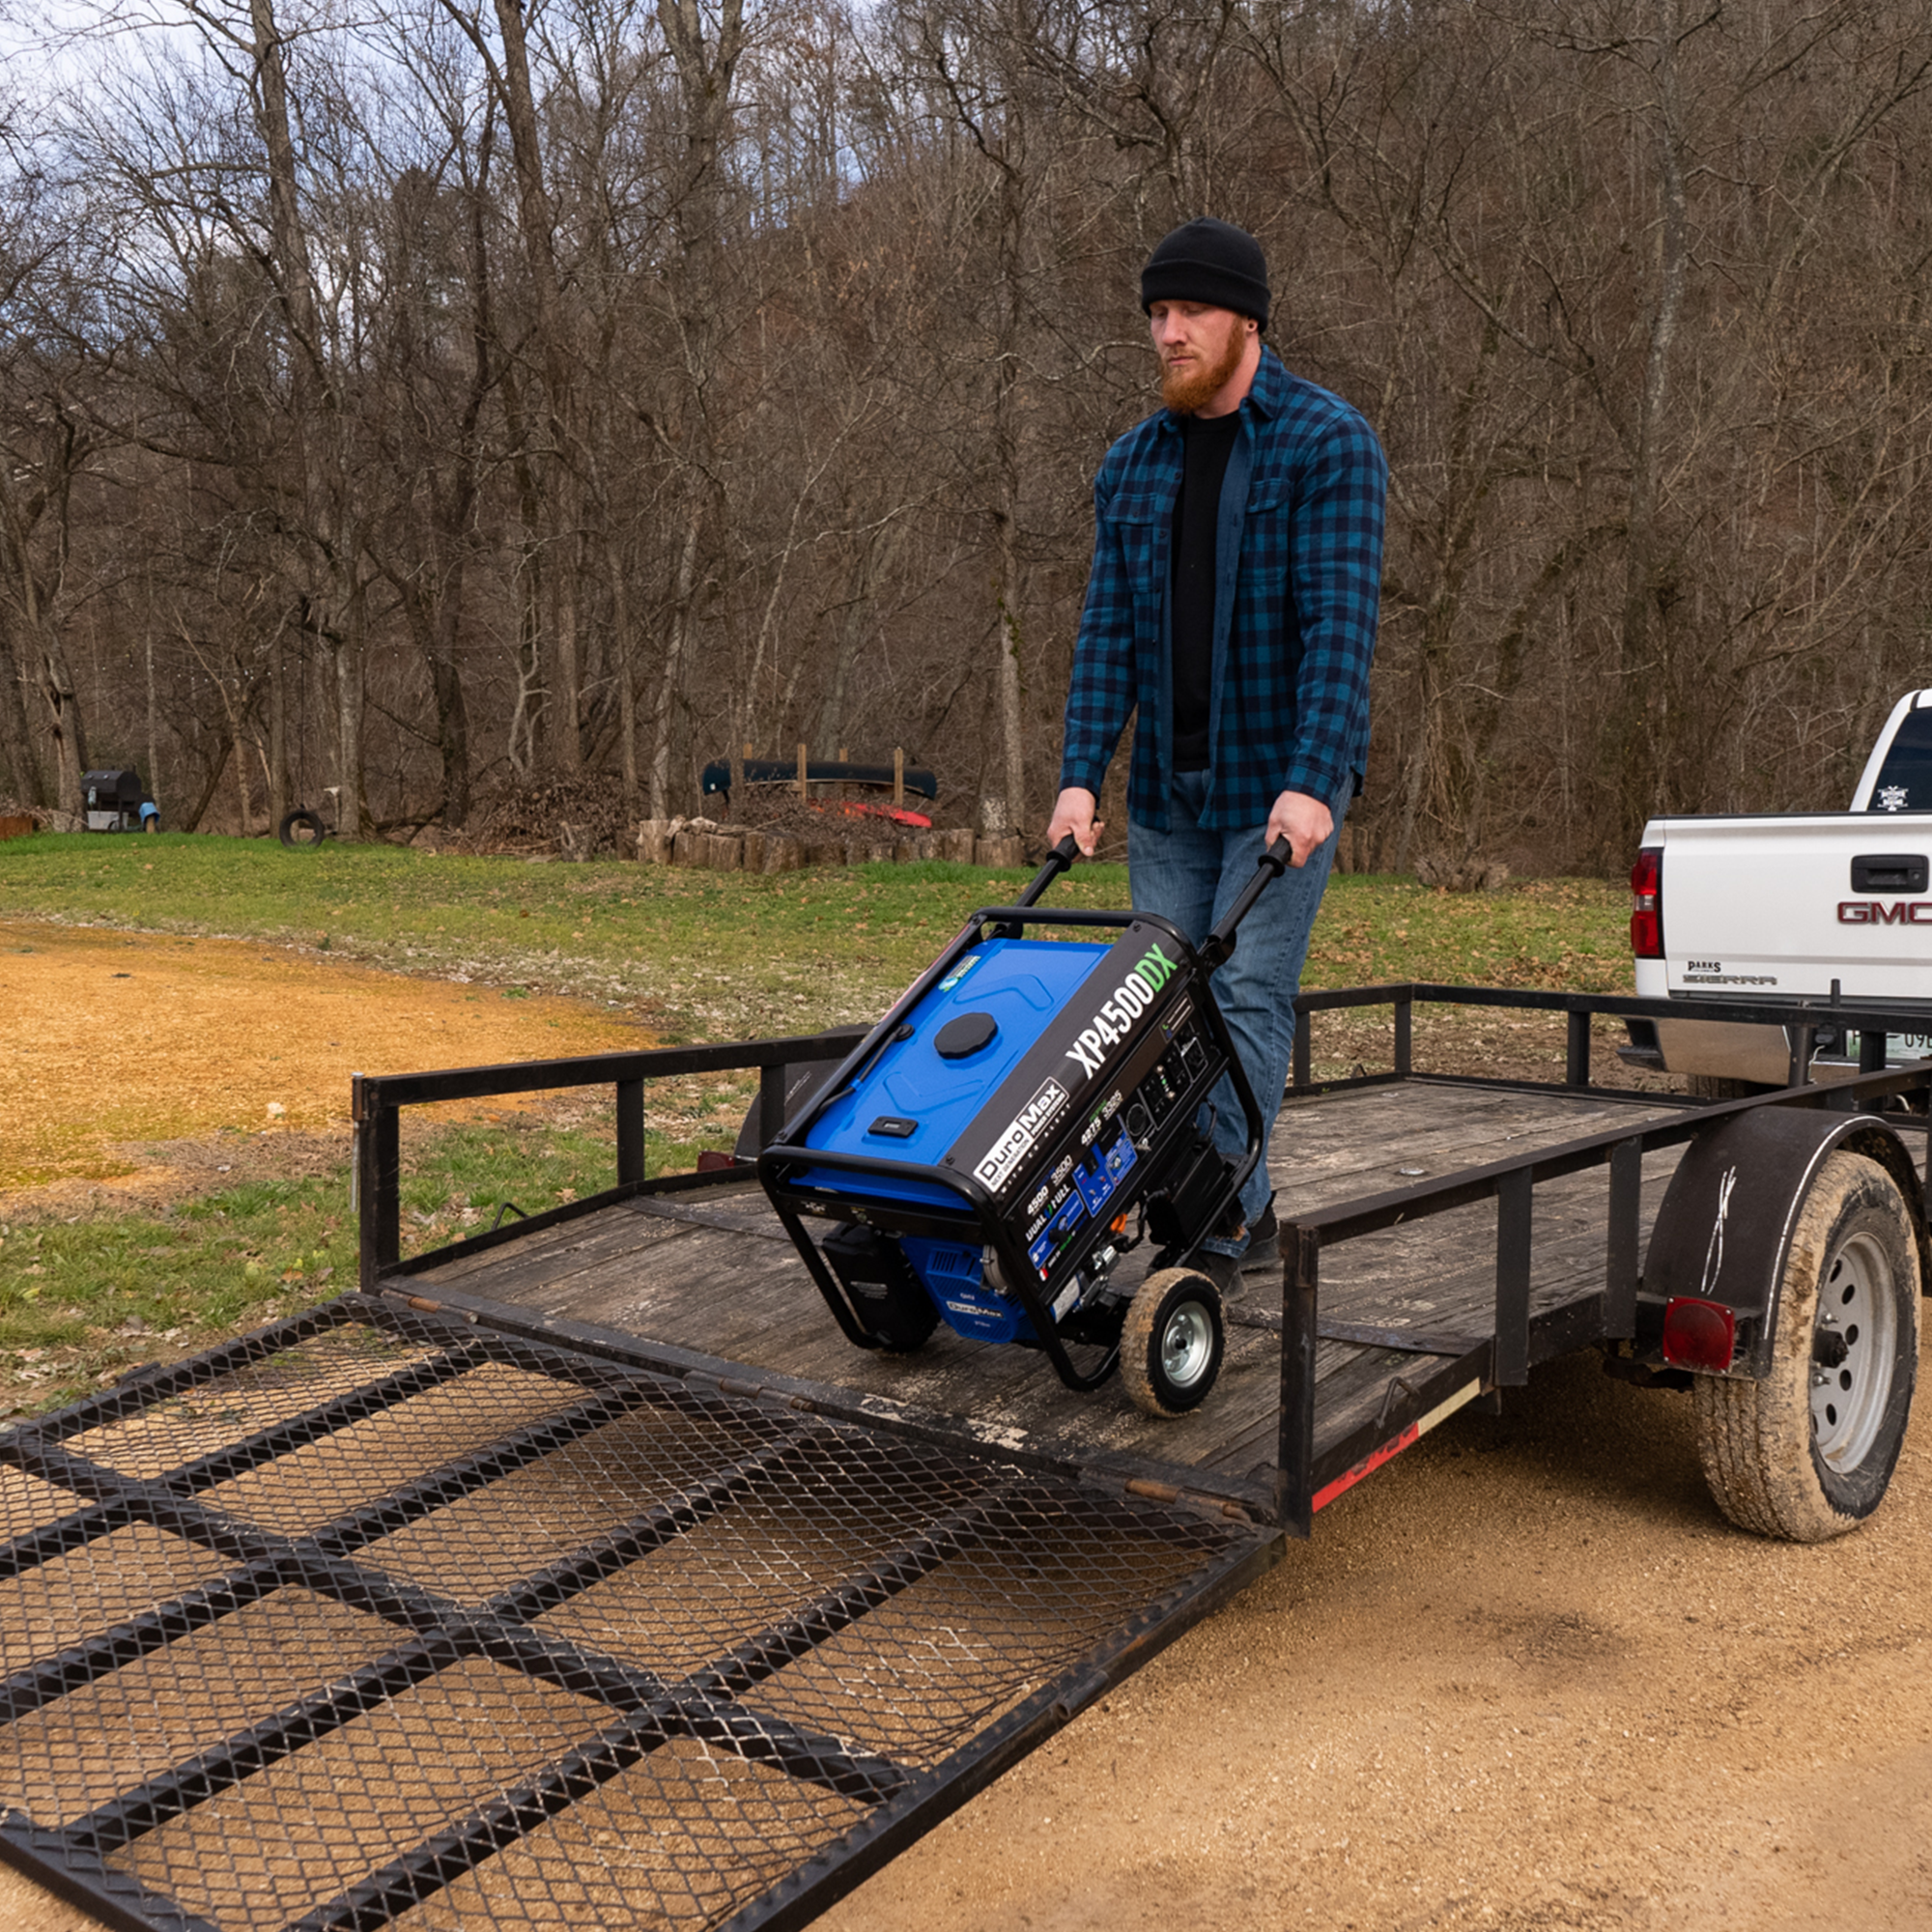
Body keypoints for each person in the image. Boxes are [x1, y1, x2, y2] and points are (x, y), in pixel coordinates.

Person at [1046, 215, 1386, 1293]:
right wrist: (1076, 773)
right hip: (1169, 796)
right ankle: (1238, 1203)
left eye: (1188, 311)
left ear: (1246, 320)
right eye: (1155, 313)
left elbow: (1340, 627)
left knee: (1240, 996)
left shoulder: (1326, 446)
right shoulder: (1133, 465)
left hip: (1277, 786)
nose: (1168, 333)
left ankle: (1208, 1221)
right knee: (1155, 1008)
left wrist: (1311, 778)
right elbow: (1106, 633)